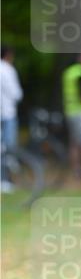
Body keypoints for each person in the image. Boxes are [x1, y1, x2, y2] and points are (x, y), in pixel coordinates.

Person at [1, 45, 23, 192]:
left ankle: (3, 180)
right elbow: (16, 94)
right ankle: (7, 179)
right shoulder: (8, 70)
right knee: (9, 148)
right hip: (8, 113)